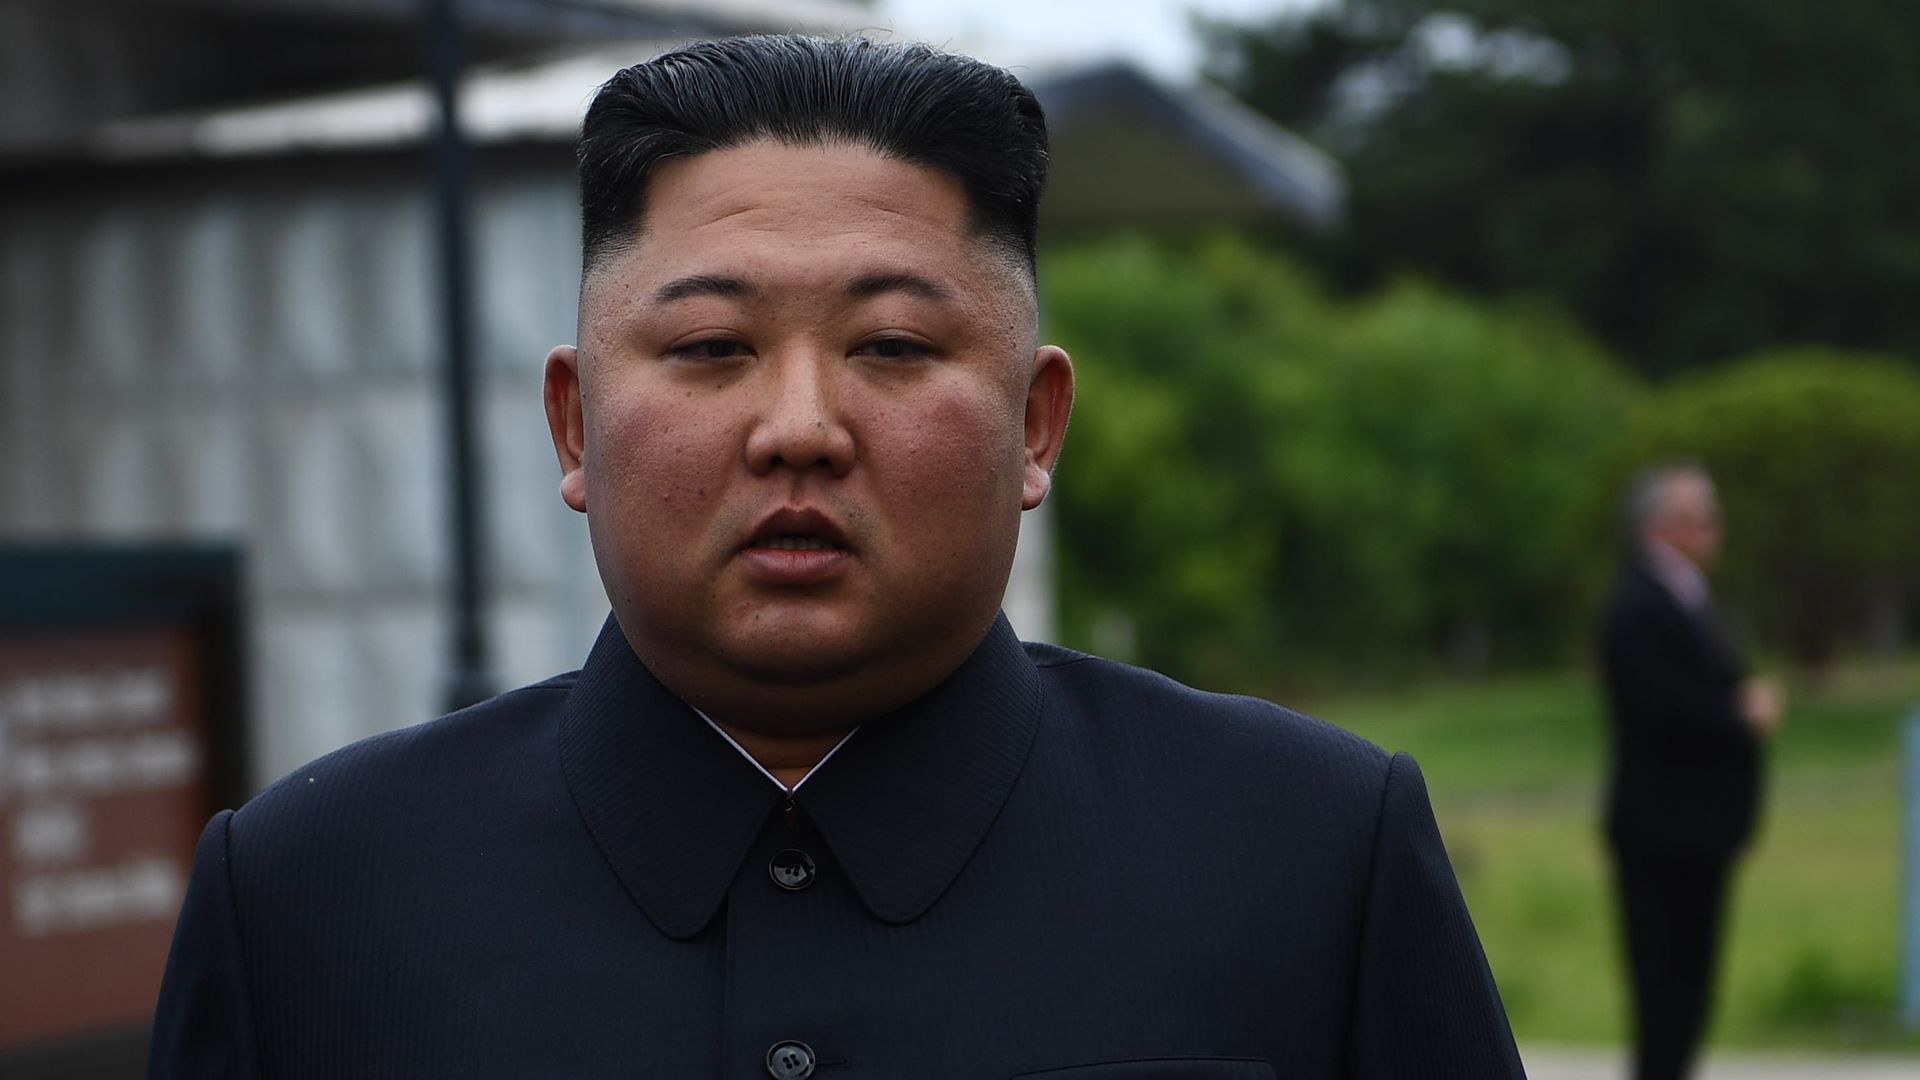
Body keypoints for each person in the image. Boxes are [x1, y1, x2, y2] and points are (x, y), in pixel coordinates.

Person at [149, 36, 1523, 1078]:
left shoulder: (1308, 857)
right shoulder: (310, 897)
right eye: (708, 350)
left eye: (894, 348)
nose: (798, 429)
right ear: (574, 423)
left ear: (1035, 423)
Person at [1599, 463, 1782, 1080]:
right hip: (1662, 831)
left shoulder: (1687, 596)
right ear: (1661, 527)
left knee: (1689, 990)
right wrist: (1740, 711)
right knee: (1663, 988)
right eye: (1700, 517)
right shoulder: (1635, 603)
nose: (1713, 529)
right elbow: (1657, 706)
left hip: (1699, 830)